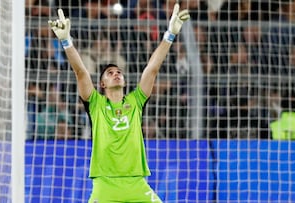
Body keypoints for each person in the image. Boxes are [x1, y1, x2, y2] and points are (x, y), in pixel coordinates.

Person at [48, 2, 190, 202]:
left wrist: (170, 34)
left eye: (119, 72)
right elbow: (80, 72)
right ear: (102, 84)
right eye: (110, 73)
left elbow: (152, 69)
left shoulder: (136, 100)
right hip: (105, 185)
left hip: (136, 184)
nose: (116, 75)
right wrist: (66, 42)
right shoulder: (95, 103)